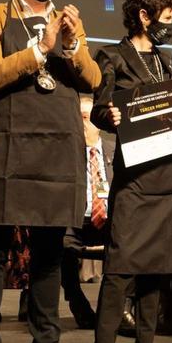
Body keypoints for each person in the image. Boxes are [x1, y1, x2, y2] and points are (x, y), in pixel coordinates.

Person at [0, 0, 101, 343]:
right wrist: (40, 48)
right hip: (6, 145)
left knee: (49, 252)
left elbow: (93, 79)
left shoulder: (69, 23)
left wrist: (71, 44)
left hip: (57, 145)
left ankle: (47, 337)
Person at [91, 0, 172, 343]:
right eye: (166, 19)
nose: (170, 27)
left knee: (156, 271)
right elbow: (99, 109)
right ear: (143, 16)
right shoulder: (112, 57)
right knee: (120, 269)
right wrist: (111, 115)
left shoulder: (166, 62)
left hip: (171, 176)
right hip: (136, 179)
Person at [59, 94, 114, 329]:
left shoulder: (115, 150)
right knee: (55, 241)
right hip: (75, 222)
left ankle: (113, 308)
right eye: (77, 118)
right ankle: (77, 301)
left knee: (131, 243)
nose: (82, 123)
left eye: (86, 118)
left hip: (110, 221)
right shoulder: (63, 154)